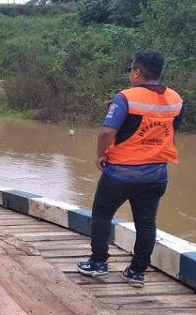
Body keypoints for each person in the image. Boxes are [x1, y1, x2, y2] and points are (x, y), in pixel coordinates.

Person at [77, 50, 184, 288]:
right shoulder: (176, 99)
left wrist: (100, 155)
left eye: (131, 71)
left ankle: (98, 263)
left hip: (121, 172)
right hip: (156, 174)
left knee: (102, 215)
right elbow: (169, 131)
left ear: (137, 72)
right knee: (146, 223)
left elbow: (107, 132)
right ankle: (136, 273)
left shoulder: (126, 98)